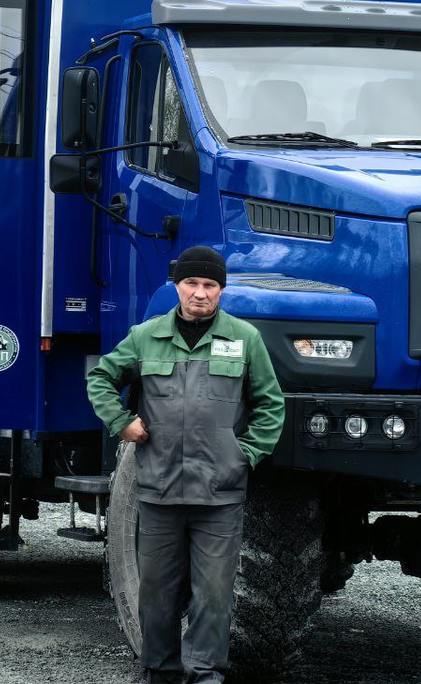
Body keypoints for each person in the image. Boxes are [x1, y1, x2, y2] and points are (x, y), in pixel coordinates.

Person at [87, 246, 285, 684]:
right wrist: (121, 422)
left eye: (209, 285)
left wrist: (245, 454)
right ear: (177, 286)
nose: (200, 293)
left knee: (213, 593)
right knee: (157, 593)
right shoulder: (146, 336)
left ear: (221, 290)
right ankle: (159, 670)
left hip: (219, 493)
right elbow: (101, 377)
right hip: (158, 489)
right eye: (192, 283)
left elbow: (270, 404)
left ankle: (205, 673)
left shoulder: (245, 339)